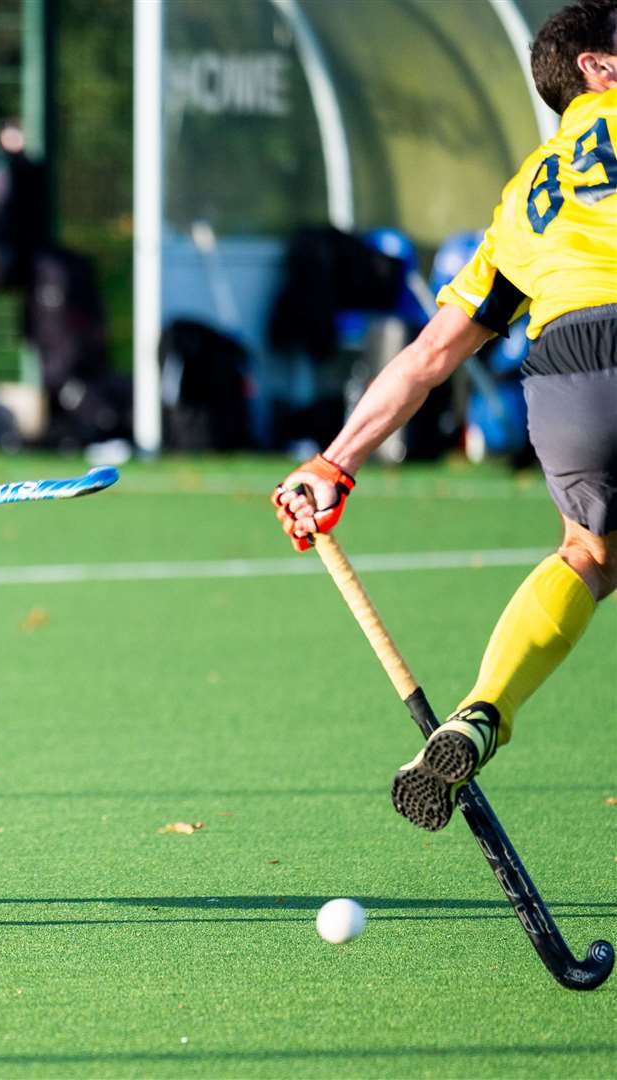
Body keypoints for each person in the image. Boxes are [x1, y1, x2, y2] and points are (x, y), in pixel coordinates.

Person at [273, 0, 616, 833]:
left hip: (565, 368)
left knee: (587, 554)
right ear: (595, 69)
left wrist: (333, 460)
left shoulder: (523, 196)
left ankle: (482, 712)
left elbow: (430, 356)